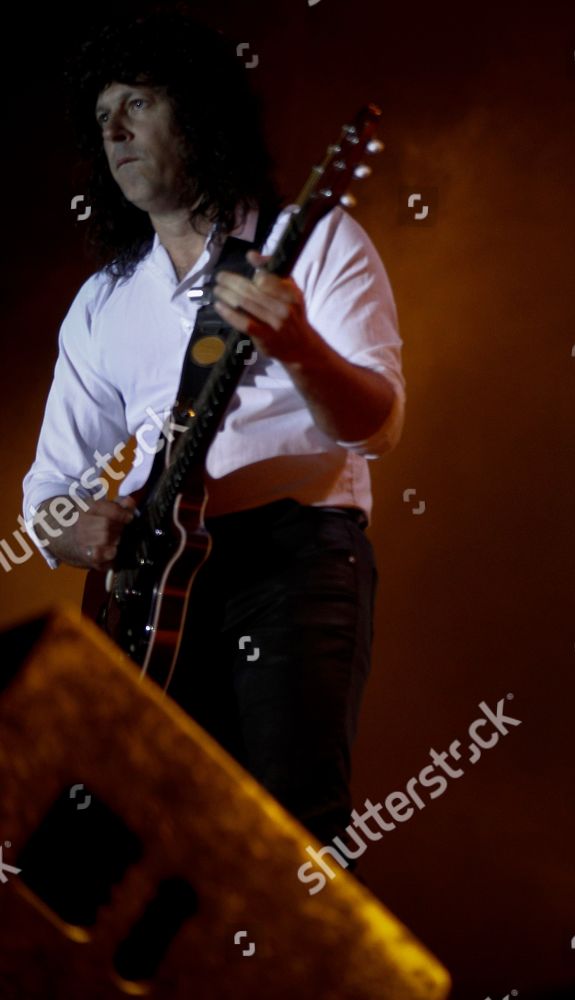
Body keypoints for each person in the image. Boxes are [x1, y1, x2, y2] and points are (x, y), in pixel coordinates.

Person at [19, 12, 405, 851]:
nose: (114, 130)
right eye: (101, 117)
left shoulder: (314, 240)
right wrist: (73, 529)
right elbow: (47, 492)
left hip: (292, 559)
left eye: (138, 104)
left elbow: (377, 426)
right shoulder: (104, 301)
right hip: (152, 580)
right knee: (135, 834)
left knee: (285, 834)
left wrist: (296, 341)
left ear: (197, 113)